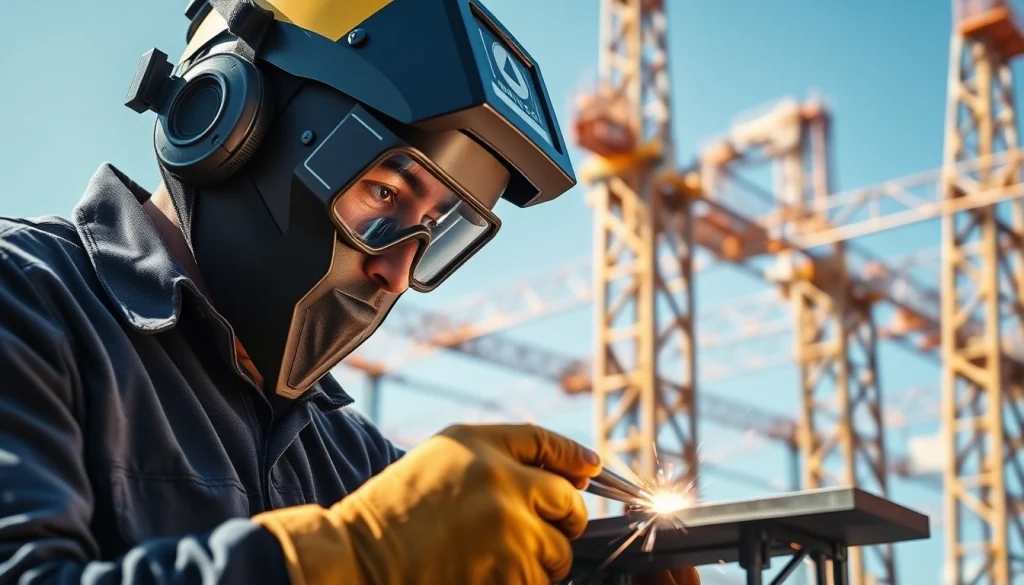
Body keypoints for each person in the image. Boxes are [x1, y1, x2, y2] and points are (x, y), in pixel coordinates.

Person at [0, 1, 701, 584]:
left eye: (433, 232)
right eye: (385, 192)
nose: (397, 270)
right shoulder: (28, 300)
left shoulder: (348, 457)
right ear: (223, 125)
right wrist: (351, 559)